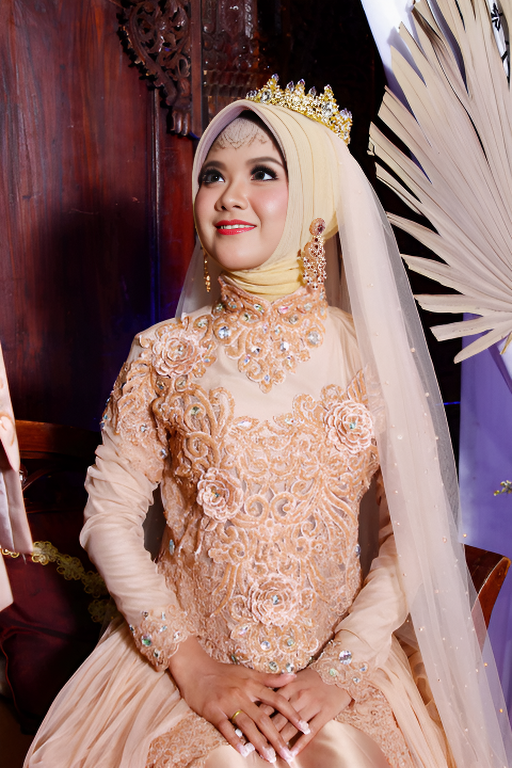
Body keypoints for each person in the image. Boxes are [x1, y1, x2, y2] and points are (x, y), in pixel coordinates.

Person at [24, 77, 512, 768]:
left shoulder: (371, 357)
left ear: (316, 200)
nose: (229, 195)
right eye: (213, 175)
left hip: (335, 676)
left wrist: (340, 670)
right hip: (185, 669)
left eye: (262, 173)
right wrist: (192, 665)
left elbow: (412, 533)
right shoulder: (164, 354)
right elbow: (108, 519)